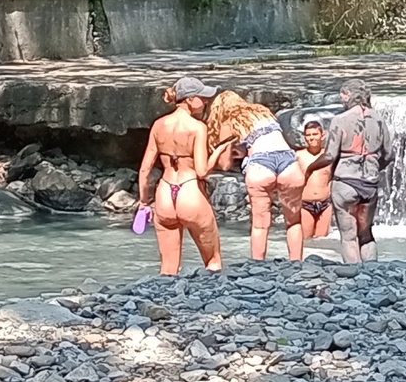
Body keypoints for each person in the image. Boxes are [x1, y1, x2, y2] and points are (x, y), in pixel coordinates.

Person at [136, 77, 232, 275]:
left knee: (168, 269)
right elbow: (202, 171)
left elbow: (145, 170)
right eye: (202, 97)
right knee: (213, 262)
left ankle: (164, 302)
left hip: (165, 193)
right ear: (188, 99)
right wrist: (219, 150)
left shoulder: (158, 124)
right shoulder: (198, 127)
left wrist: (144, 202)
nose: (206, 100)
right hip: (190, 191)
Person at [207, 90, 305, 262]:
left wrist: (228, 150)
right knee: (294, 221)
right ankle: (296, 263)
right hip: (287, 160)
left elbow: (224, 165)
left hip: (261, 164)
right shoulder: (262, 111)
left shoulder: (229, 122)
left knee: (260, 223)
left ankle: (258, 265)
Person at [303, 79, 393, 263]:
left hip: (345, 182)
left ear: (348, 95)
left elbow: (329, 156)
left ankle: (354, 278)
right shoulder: (378, 119)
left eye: (342, 96)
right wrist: (376, 168)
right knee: (366, 233)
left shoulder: (340, 120)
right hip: (370, 182)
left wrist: (310, 169)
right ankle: (373, 274)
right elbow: (389, 155)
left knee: (349, 236)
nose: (341, 99)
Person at [295, 120, 332, 239]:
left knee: (321, 240)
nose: (311, 138)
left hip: (326, 203)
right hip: (305, 204)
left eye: (315, 134)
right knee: (306, 240)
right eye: (308, 135)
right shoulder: (298, 156)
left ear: (322, 136)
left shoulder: (329, 156)